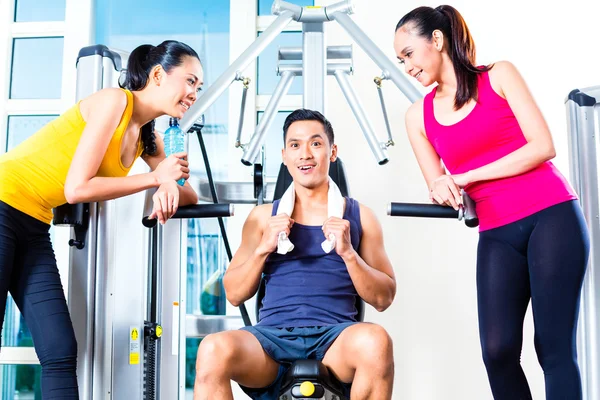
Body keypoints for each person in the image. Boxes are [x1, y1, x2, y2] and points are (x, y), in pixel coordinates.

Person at [394, 6, 589, 400]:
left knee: (551, 348)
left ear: (437, 39)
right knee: (497, 351)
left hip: (551, 217)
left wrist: (464, 177)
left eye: (408, 54)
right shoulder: (418, 116)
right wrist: (443, 190)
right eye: (400, 61)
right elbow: (439, 182)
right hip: (497, 233)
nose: (406, 67)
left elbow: (542, 146)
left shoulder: (499, 75)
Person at [0, 40, 202, 398]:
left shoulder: (146, 137)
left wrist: (170, 179)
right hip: (2, 203)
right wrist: (158, 179)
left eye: (198, 87)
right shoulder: (115, 101)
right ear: (158, 74)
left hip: (32, 223)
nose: (193, 93)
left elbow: (190, 196)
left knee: (60, 349)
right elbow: (77, 188)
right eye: (189, 81)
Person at [193, 109, 396, 400]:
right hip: (270, 343)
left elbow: (384, 298)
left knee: (376, 341)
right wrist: (264, 247)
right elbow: (234, 294)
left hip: (335, 340)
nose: (305, 154)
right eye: (295, 145)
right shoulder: (262, 218)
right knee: (212, 349)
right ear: (284, 155)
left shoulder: (360, 217)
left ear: (332, 151)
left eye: (315, 143)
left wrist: (349, 253)